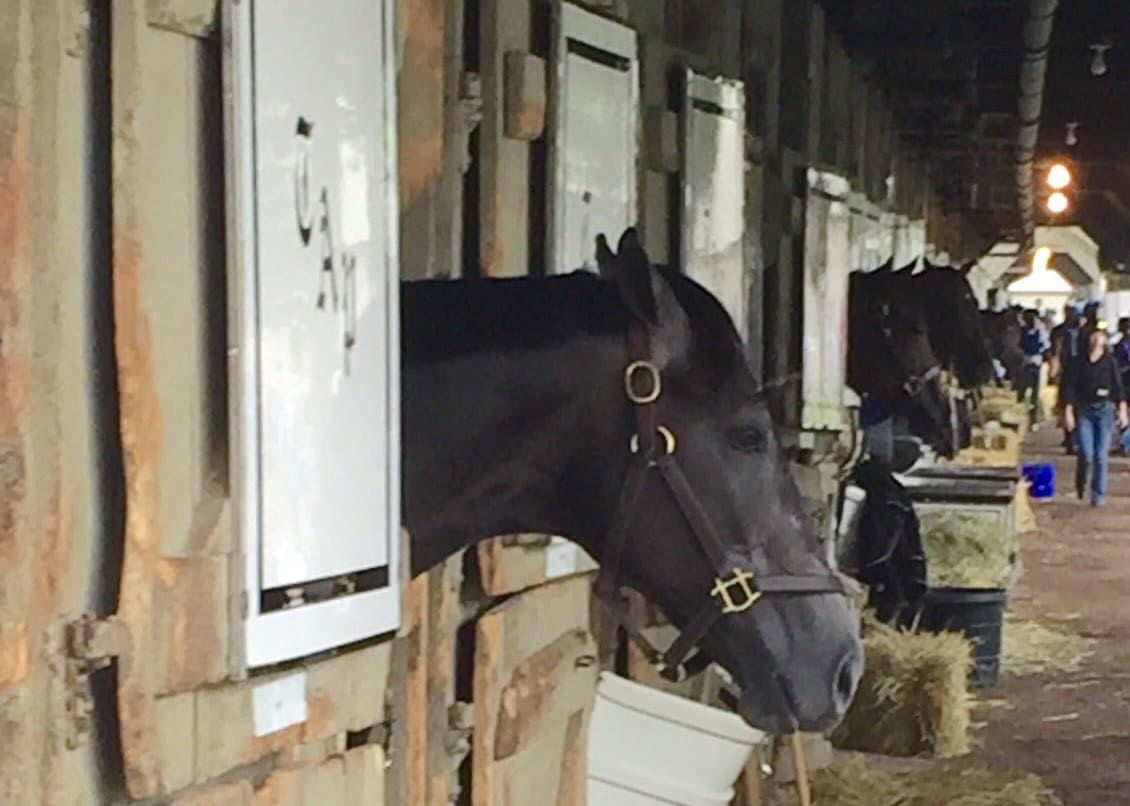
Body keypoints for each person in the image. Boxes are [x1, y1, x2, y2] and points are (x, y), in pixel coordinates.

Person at [1062, 328, 1130, 506]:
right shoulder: (1078, 363)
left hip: (1105, 410)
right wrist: (1068, 412)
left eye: (1099, 341)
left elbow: (1118, 388)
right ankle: (1081, 482)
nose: (1095, 345)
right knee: (1086, 453)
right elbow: (1069, 388)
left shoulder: (1110, 363)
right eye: (1093, 340)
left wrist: (1122, 411)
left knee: (1101, 455)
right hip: (1084, 410)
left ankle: (1098, 495)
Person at [1017, 309, 1049, 425]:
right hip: (1025, 363)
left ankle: (1033, 419)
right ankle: (1021, 417)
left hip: (1035, 364)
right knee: (1022, 392)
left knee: (1034, 394)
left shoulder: (1040, 331)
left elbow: (1045, 347)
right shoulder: (1023, 331)